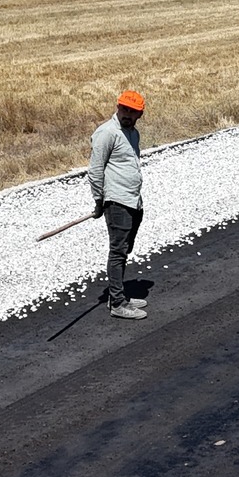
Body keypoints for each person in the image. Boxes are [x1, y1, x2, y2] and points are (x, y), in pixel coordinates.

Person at [89, 89, 148, 320]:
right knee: (118, 251)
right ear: (118, 107)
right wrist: (98, 201)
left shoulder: (133, 134)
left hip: (133, 200)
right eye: (125, 109)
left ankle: (118, 294)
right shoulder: (106, 133)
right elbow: (95, 170)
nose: (127, 114)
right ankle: (118, 304)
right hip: (116, 202)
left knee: (125, 249)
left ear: (139, 115)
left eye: (133, 112)